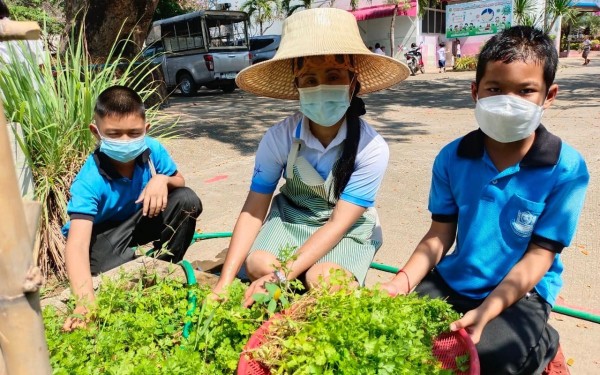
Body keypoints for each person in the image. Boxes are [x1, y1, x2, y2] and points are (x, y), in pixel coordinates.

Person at [381, 26, 589, 374]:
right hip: (456, 278)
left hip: (524, 291)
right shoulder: (453, 157)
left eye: (525, 91)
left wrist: (487, 311)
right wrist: (400, 282)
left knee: (488, 360)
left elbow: (540, 254)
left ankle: (543, 345)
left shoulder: (566, 168)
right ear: (475, 91)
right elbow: (439, 234)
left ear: (548, 96)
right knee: (399, 341)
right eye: (495, 89)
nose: (509, 101)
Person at [213, 8, 409, 305]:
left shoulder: (372, 148)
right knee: (257, 265)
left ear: (352, 83)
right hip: (291, 220)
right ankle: (290, 284)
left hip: (345, 231)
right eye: (309, 80)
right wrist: (224, 283)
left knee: (325, 280)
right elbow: (254, 210)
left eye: (333, 76)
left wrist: (282, 276)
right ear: (297, 88)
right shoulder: (278, 138)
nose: (321, 87)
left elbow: (337, 224)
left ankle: (297, 284)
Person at [62, 85, 202, 331]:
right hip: (103, 235)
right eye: (114, 134)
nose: (125, 141)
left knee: (186, 200)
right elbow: (77, 244)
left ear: (145, 130)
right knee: (117, 278)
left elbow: (179, 181)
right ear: (96, 132)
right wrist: (84, 304)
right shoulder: (90, 179)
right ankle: (121, 267)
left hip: (137, 219)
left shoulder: (151, 150)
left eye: (133, 133)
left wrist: (162, 179)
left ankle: (165, 269)